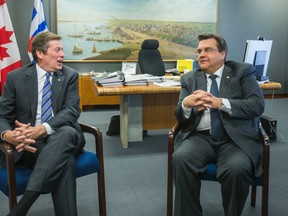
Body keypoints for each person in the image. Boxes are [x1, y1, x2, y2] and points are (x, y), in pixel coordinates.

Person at [173, 33, 265, 216]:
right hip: (200, 137)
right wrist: (186, 104)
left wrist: (220, 103)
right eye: (199, 51)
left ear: (223, 54)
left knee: (236, 169)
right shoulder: (189, 79)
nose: (201, 55)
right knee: (181, 158)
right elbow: (179, 116)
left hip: (235, 139)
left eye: (208, 50)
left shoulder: (243, 71)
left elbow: (257, 105)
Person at [0, 31, 85, 216]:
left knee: (67, 133)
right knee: (65, 160)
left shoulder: (70, 75)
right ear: (40, 54)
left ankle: (22, 207)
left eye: (62, 50)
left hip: (63, 135)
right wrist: (8, 135)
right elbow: (1, 115)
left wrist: (42, 129)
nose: (63, 54)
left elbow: (72, 111)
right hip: (30, 145)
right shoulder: (16, 77)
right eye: (57, 50)